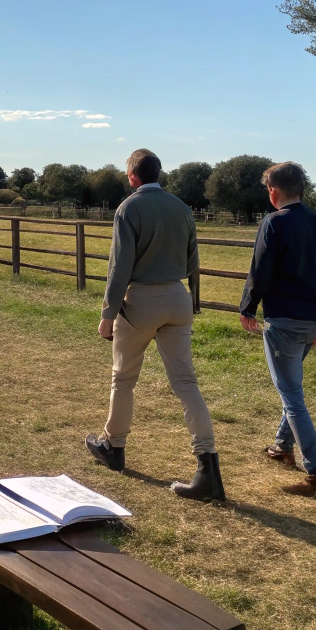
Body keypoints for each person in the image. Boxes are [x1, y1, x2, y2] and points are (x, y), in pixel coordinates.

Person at [85, 149, 224, 501]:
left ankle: (114, 447)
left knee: (124, 378)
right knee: (186, 382)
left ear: (132, 176)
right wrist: (192, 299)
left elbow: (120, 267)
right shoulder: (182, 208)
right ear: (159, 174)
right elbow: (194, 258)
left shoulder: (128, 208)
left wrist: (107, 315)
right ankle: (208, 464)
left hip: (140, 301)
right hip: (178, 299)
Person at [239, 161, 316, 500]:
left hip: (285, 320)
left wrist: (247, 307)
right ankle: (283, 447)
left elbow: (260, 269)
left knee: (292, 396)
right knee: (293, 387)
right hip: (314, 319)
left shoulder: (273, 223)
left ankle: (315, 476)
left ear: (273, 191)